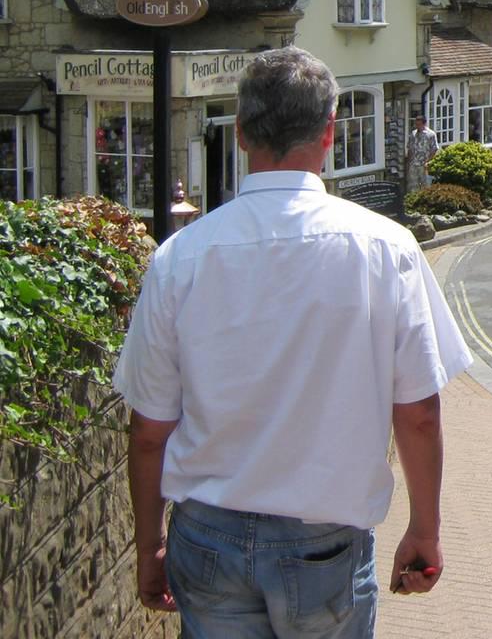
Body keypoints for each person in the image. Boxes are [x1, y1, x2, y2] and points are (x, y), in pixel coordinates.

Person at [112, 46, 471, 634]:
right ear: (329, 133)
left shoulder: (180, 258)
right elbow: (419, 415)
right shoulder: (387, 249)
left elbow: (149, 430)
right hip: (324, 543)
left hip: (206, 536)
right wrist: (424, 528)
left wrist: (148, 543)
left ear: (244, 134)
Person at [406, 113, 440, 192]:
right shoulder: (413, 134)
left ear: (424, 124)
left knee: (425, 187)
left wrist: (428, 162)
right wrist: (408, 162)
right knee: (413, 187)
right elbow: (409, 148)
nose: (417, 126)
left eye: (419, 124)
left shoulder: (430, 134)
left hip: (424, 165)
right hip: (413, 164)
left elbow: (434, 149)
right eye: (416, 124)